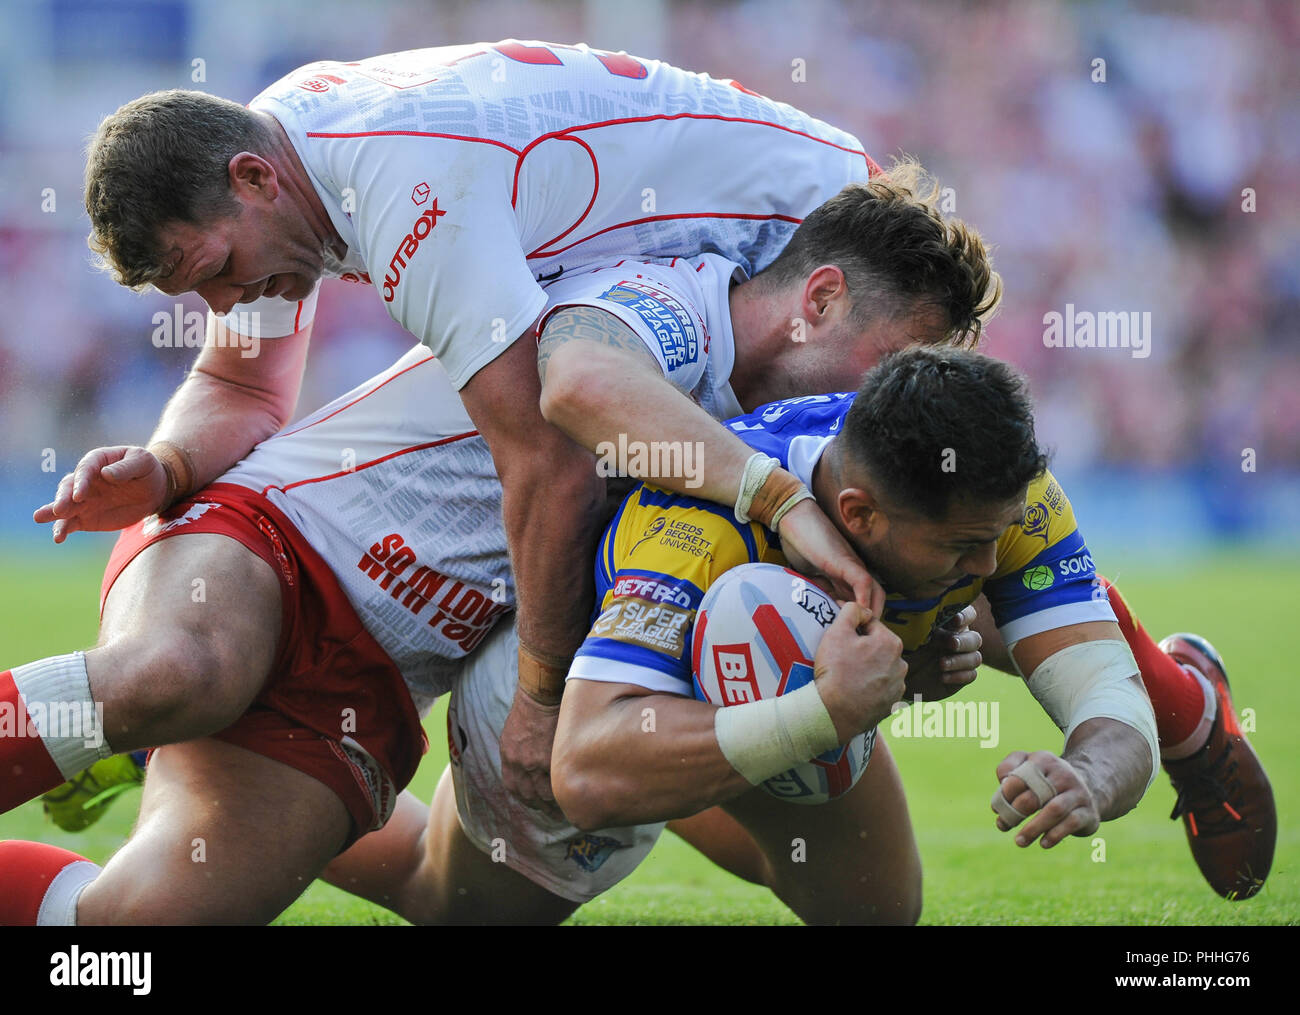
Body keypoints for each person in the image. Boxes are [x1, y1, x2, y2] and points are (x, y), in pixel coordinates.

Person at [0, 168, 1001, 922]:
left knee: (140, 937)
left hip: (376, 679)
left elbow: (965, 567)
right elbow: (575, 389)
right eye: (891, 361)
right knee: (181, 670)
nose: (887, 401)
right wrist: (550, 695)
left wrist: (928, 641)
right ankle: (141, 721)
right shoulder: (672, 312)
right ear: (819, 299)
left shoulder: (834, 457)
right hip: (275, 539)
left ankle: (152, 761)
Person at [33, 41, 889, 817]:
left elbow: (551, 467)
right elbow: (240, 380)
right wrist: (166, 464)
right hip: (769, 269)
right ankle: (165, 741)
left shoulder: (409, 191)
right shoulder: (293, 140)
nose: (224, 305)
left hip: (843, 257)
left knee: (881, 563)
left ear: (255, 179)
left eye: (218, 271)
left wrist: (541, 697)